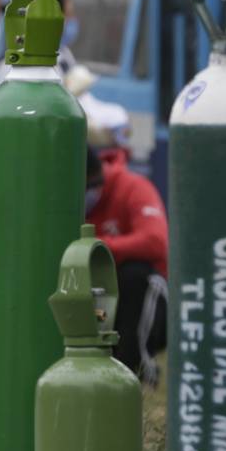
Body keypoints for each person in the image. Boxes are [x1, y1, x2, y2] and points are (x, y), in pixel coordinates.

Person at [85, 146, 168, 384]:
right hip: (93, 298)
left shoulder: (132, 187)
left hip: (149, 301)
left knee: (135, 276)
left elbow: (156, 241)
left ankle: (137, 372)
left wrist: (96, 247)